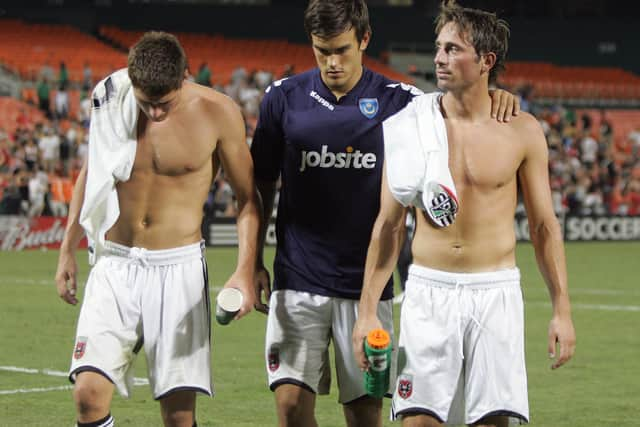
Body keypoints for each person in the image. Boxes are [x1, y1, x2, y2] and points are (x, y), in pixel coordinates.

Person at [250, 1, 520, 426]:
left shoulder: (404, 104)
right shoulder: (283, 99)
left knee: (365, 414)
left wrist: (498, 93)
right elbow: (258, 186)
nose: (332, 62)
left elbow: (461, 103)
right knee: (289, 408)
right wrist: (252, 263)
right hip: (296, 277)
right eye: (322, 51)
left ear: (364, 39)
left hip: (366, 286)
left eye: (341, 49)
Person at [352, 2, 576, 426]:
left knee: (492, 422)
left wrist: (561, 310)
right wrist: (367, 313)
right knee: (418, 420)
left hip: (496, 292)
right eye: (439, 47)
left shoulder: (522, 130)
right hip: (427, 291)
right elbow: (388, 225)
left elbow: (546, 226)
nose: (439, 58)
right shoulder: (410, 126)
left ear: (486, 61)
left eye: (453, 49)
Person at [54, 31, 262, 427]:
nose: (155, 114)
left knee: (179, 415)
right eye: (146, 103)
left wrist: (245, 269)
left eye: (164, 104)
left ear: (184, 76)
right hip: (114, 263)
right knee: (87, 395)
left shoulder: (219, 112)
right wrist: (68, 247)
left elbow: (247, 198)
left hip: (178, 268)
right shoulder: (111, 97)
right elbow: (92, 171)